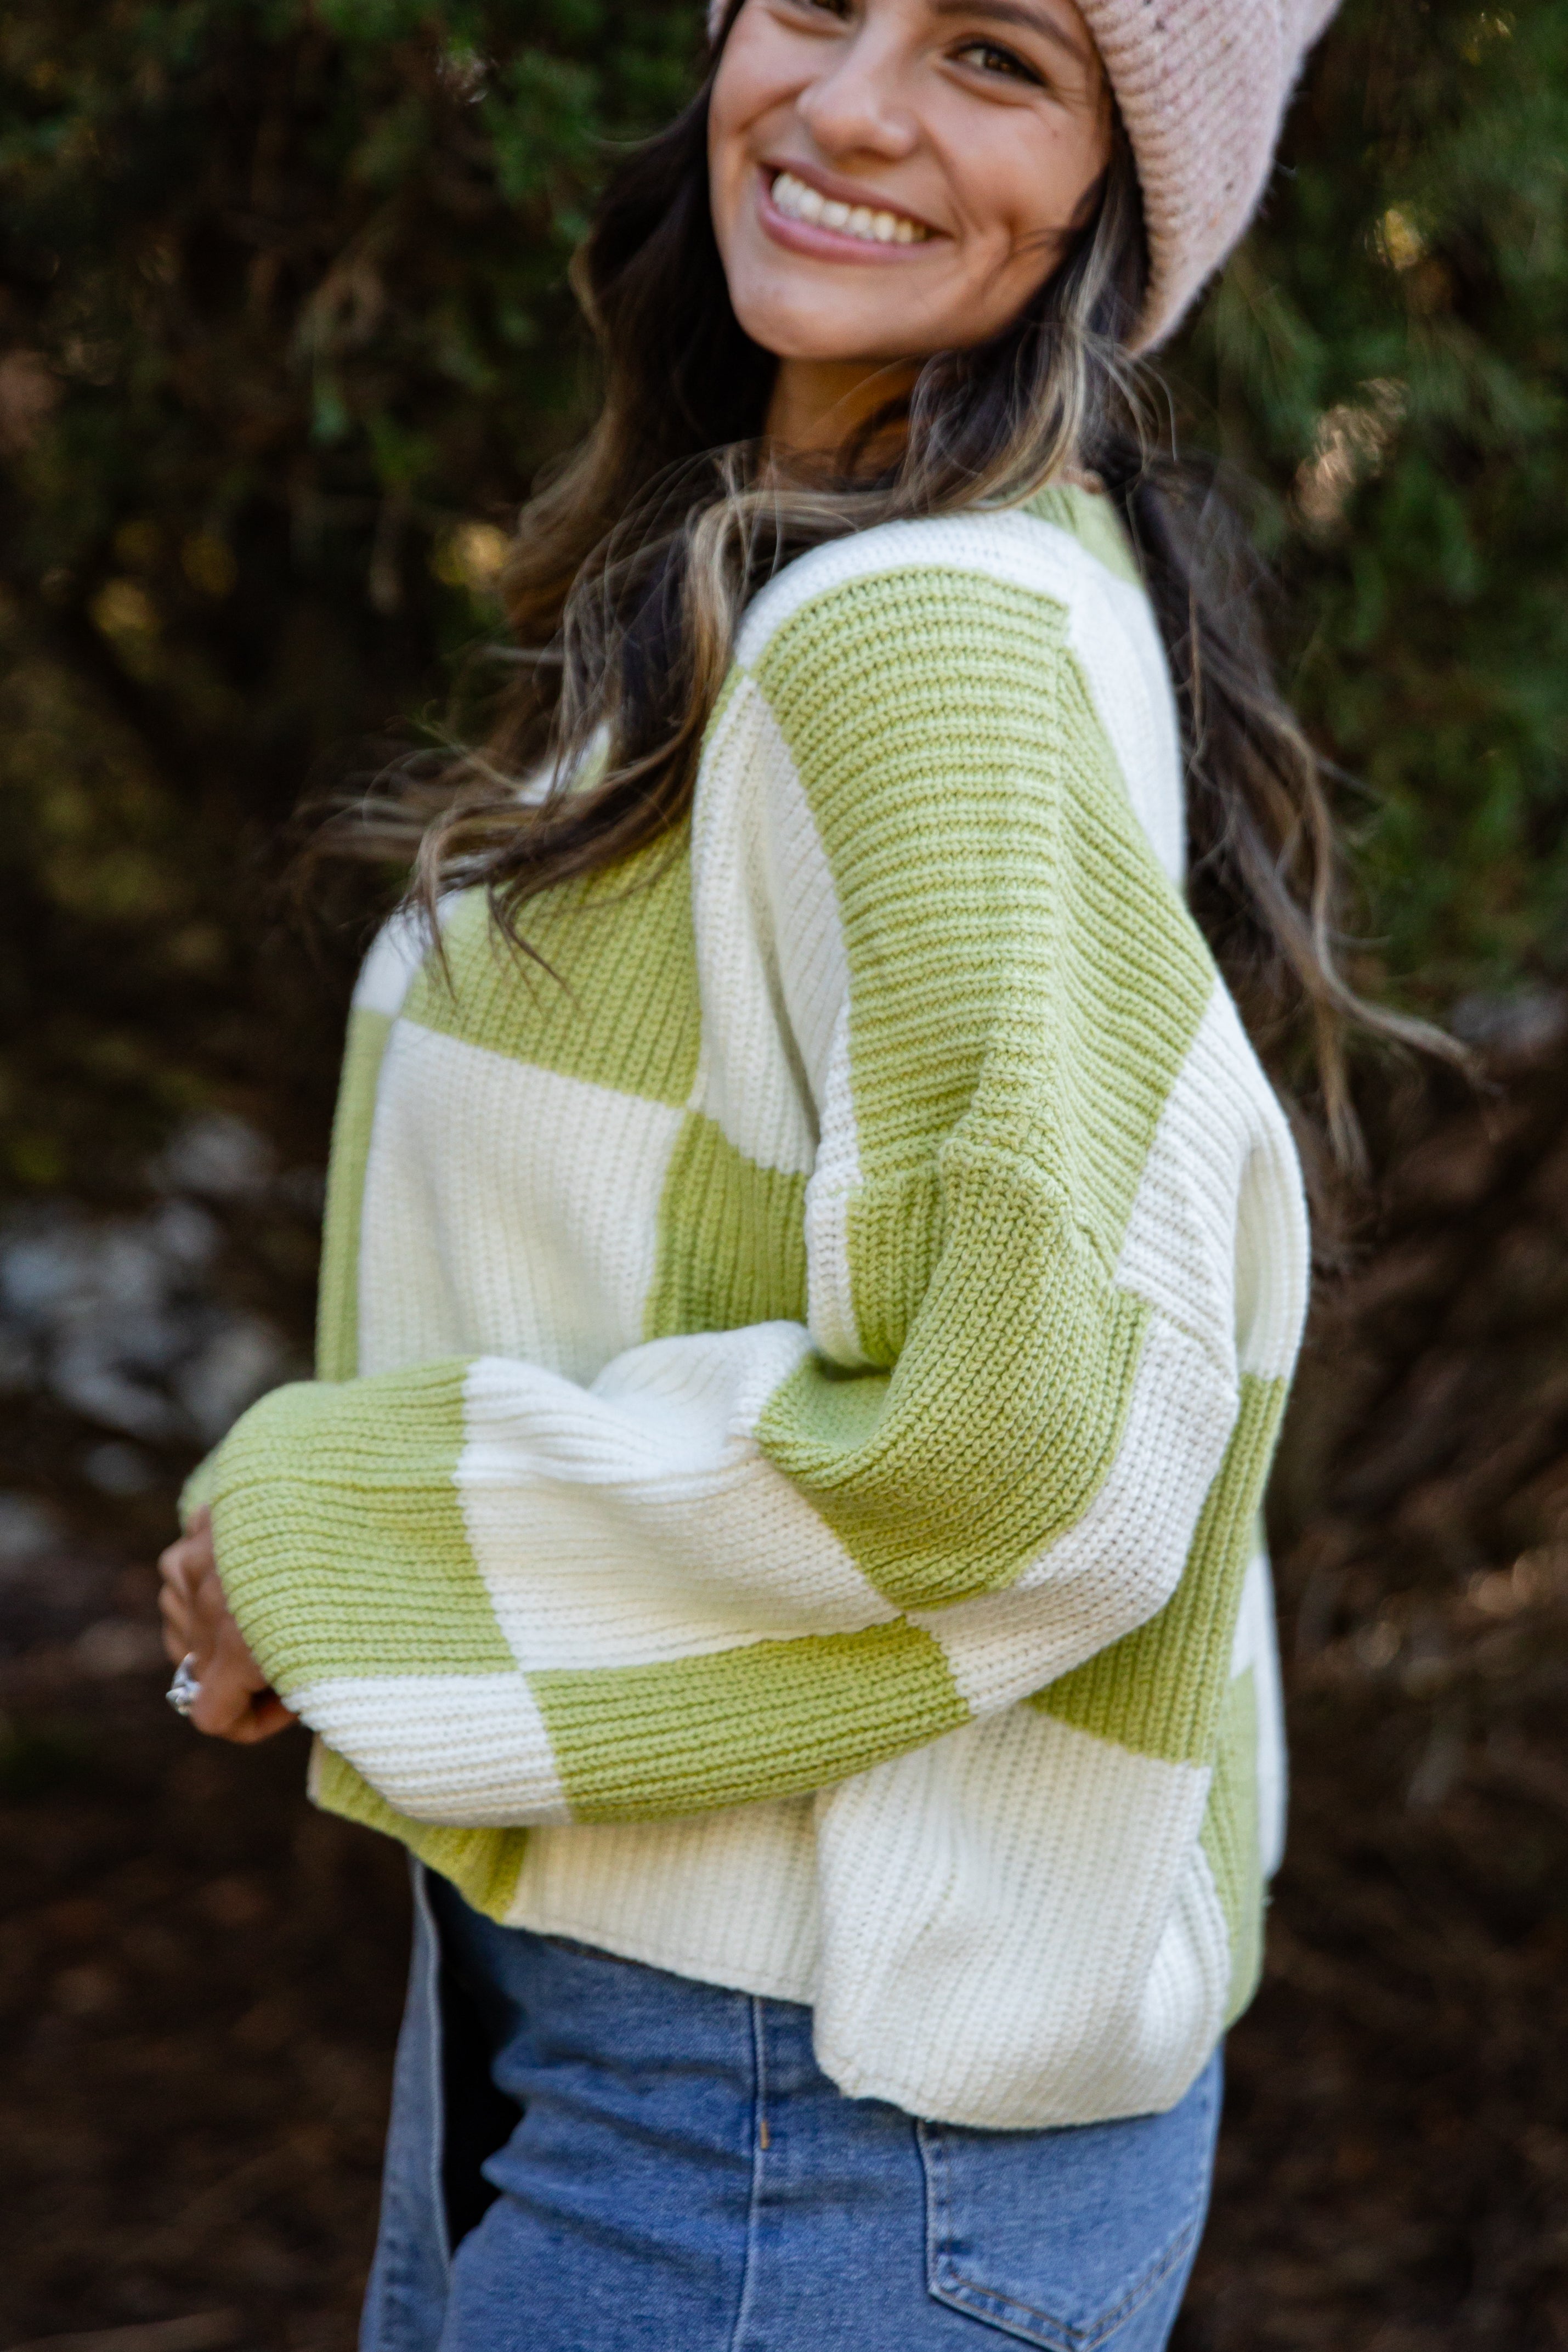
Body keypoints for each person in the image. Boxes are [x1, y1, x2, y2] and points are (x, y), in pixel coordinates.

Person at [158, 0, 1354, 2342]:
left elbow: (1036, 1437)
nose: (846, 104)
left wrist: (345, 1548)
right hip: (670, 2037)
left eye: (995, 57)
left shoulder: (922, 642)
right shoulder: (803, 579)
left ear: (1128, 186)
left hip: (790, 2122)